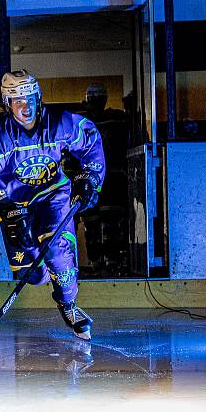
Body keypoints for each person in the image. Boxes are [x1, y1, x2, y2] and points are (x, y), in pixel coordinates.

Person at [0, 70, 106, 340]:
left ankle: (69, 306)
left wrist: (90, 177)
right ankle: (45, 270)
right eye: (19, 100)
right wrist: (8, 212)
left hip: (52, 196)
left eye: (31, 98)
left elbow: (90, 139)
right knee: (34, 275)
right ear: (7, 103)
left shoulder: (60, 124)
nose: (27, 106)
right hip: (16, 205)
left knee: (59, 252)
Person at [80, 83, 131, 275]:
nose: (94, 102)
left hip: (110, 180)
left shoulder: (115, 119)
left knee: (109, 225)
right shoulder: (113, 119)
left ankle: (109, 263)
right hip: (97, 181)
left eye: (95, 98)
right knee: (94, 224)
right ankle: (101, 264)